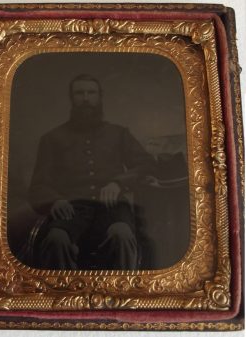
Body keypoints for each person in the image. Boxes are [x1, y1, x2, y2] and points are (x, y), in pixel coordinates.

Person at [28, 74, 155, 270]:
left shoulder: (119, 133)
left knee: (122, 234)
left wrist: (118, 183)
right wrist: (55, 201)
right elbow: (38, 185)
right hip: (71, 210)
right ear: (72, 98)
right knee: (56, 239)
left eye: (91, 92)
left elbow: (146, 164)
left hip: (112, 208)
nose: (86, 98)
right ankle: (63, 297)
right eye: (80, 93)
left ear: (99, 97)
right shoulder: (52, 139)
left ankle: (121, 296)